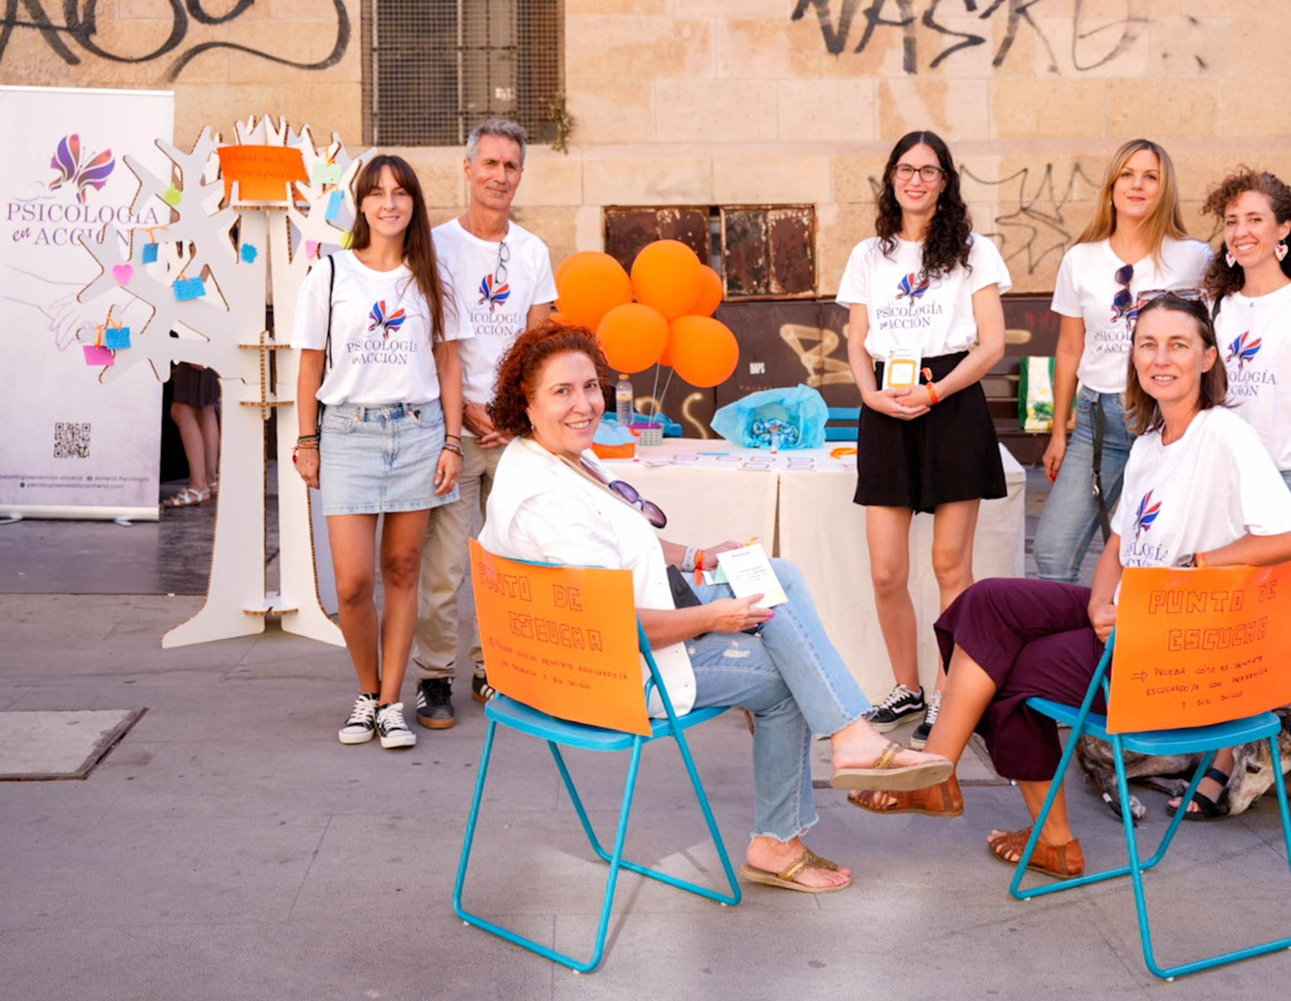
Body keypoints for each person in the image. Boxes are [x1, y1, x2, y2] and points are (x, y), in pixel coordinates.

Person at [480, 322, 954, 893]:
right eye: (562, 392)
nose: (583, 405)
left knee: (775, 574)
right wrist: (713, 618)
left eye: (590, 386)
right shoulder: (549, 500)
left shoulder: (551, 458)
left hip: (611, 629)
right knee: (786, 679)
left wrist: (700, 557)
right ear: (526, 404)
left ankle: (850, 735)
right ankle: (781, 837)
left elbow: (621, 543)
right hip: (605, 674)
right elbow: (616, 630)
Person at [850, 295, 1291, 864]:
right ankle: (945, 778)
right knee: (989, 601)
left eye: (1178, 345)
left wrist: (1196, 565)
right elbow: (1117, 545)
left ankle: (1047, 836)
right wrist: (1096, 605)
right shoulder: (1147, 445)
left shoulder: (1225, 435)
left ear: (1208, 358)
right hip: (1127, 614)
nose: (1160, 358)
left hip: (1176, 646)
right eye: (1148, 344)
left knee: (1002, 673)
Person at [837, 130, 1011, 750]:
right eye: (906, 169)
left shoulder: (973, 250)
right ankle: (906, 686)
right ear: (891, 178)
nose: (916, 180)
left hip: (951, 400)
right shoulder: (868, 254)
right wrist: (869, 394)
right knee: (886, 571)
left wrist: (937, 393)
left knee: (949, 568)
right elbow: (856, 340)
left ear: (945, 181)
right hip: (886, 401)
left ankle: (947, 695)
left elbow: (991, 342)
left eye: (929, 171)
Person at [291, 155, 470, 750]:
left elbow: (448, 362)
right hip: (347, 434)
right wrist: (307, 438)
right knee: (351, 583)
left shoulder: (431, 276)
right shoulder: (331, 273)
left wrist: (451, 440)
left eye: (400, 193)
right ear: (361, 205)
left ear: (414, 204)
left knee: (402, 570)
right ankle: (368, 690)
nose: (388, 203)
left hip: (418, 433)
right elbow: (310, 361)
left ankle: (391, 701)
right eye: (376, 193)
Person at [412, 120, 557, 730]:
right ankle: (434, 677)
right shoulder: (436, 246)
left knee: (509, 559)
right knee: (444, 565)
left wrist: (513, 416)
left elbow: (541, 345)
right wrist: (465, 416)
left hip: (513, 433)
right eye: (491, 163)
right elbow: (425, 339)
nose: (500, 175)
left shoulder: (531, 252)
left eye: (511, 166)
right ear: (467, 168)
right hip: (452, 429)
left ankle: (495, 668)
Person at [1034, 138, 1212, 586]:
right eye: (1127, 174)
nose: (1138, 185)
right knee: (1053, 552)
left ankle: (1144, 653)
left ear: (1164, 188)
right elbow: (1070, 348)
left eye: (1150, 176)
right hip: (1099, 423)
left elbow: (1213, 347)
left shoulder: (1194, 258)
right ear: (1111, 186)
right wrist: (1059, 430)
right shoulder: (1080, 259)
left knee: (1157, 558)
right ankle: (1078, 654)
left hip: (1167, 423)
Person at [1202, 170, 1291, 697]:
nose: (1241, 231)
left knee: (1272, 622)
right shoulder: (1214, 306)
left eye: (1255, 219)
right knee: (1228, 622)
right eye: (1232, 220)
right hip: (1223, 481)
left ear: (1283, 228)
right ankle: (1244, 751)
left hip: (1286, 480)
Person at [163, 363, 221, 508]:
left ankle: (198, 486)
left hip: (195, 343)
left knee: (181, 409)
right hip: (209, 345)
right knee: (205, 406)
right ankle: (208, 480)